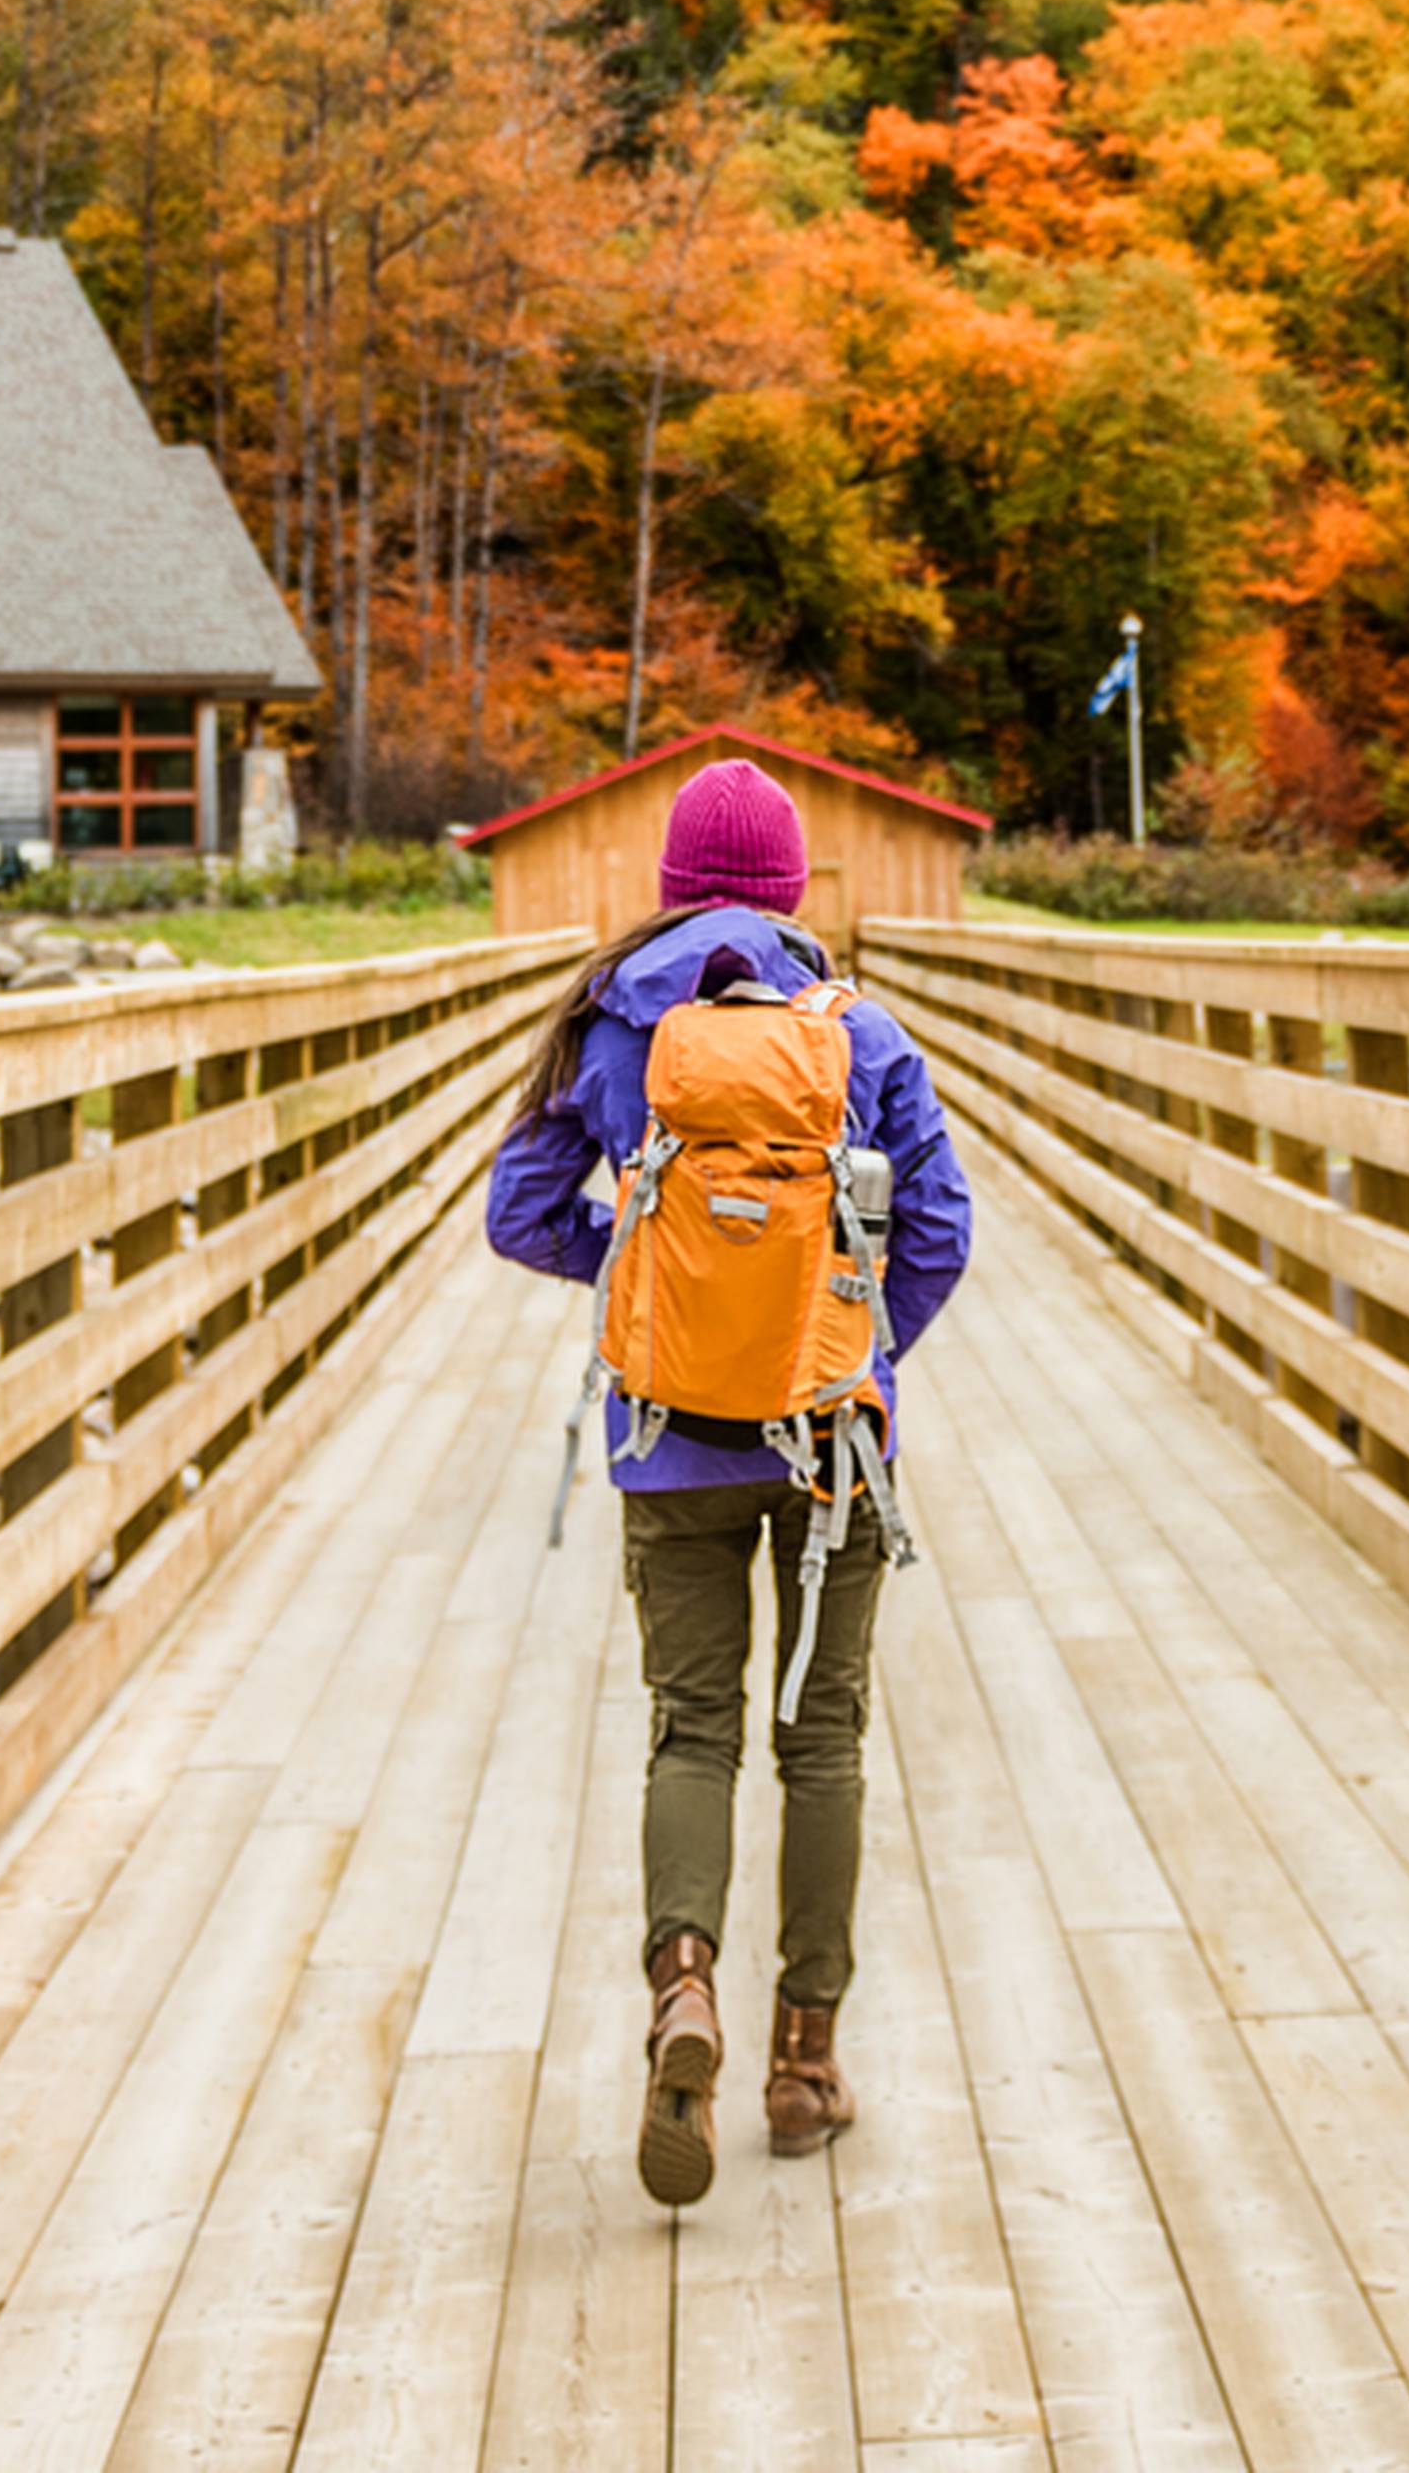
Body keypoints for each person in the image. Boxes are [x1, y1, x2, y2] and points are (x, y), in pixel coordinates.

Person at [486, 749, 971, 2204]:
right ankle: (805, 2058)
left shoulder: (607, 1020)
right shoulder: (859, 1035)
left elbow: (521, 1213)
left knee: (690, 1729)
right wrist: (852, 1346)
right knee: (819, 1742)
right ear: (791, 888)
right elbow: (938, 1231)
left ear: (669, 885)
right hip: (829, 1441)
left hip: (665, 1436)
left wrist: (640, 1285)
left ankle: (680, 1991)